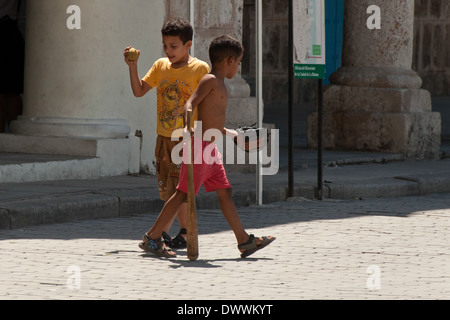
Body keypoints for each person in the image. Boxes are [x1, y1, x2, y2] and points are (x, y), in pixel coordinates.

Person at [139, 35, 275, 258]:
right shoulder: (210, 80)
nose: (238, 67)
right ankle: (153, 236)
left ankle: (244, 241)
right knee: (182, 194)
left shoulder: (219, 83)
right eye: (238, 63)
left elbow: (213, 119)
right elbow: (189, 104)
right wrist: (186, 128)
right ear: (230, 60)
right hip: (199, 148)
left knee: (225, 192)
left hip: (211, 150)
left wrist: (230, 133)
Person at [124, 18, 210, 249]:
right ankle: (183, 232)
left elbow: (208, 102)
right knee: (169, 190)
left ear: (188, 44)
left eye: (173, 46)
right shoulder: (160, 66)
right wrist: (133, 67)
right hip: (163, 138)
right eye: (165, 45)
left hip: (186, 140)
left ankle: (159, 233)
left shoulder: (200, 69)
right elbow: (139, 91)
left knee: (179, 189)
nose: (168, 51)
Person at [0, 0, 25, 133]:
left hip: (9, 32)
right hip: (10, 31)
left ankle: (15, 134)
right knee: (10, 92)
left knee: (11, 91)